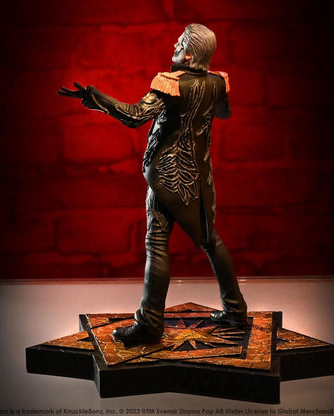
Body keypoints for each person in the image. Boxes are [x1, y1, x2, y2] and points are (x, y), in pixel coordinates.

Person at [58, 23, 248, 344]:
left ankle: (149, 324)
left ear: (190, 54)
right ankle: (235, 310)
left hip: (166, 175)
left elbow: (134, 115)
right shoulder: (218, 82)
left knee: (157, 242)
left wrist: (95, 96)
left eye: (181, 42)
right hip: (200, 178)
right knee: (210, 240)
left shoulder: (170, 85)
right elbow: (223, 112)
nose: (175, 44)